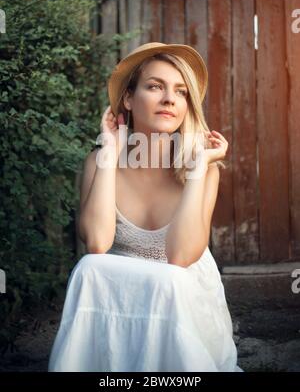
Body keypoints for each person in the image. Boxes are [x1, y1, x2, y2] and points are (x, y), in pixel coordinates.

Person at [48, 42, 243, 372]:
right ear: (128, 98)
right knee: (88, 268)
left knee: (171, 280)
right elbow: (96, 243)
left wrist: (197, 169)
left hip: (182, 300)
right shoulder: (99, 161)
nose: (169, 99)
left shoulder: (204, 169)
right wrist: (109, 151)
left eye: (181, 92)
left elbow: (180, 258)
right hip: (119, 298)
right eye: (155, 86)